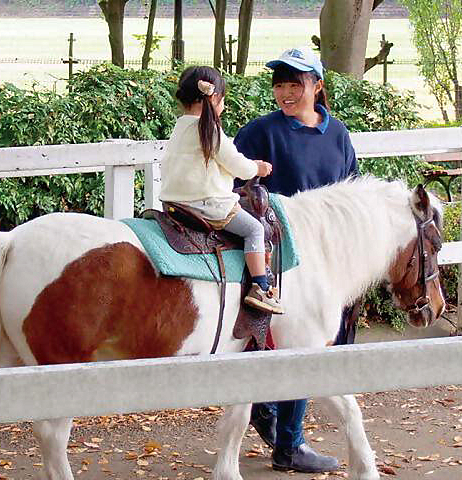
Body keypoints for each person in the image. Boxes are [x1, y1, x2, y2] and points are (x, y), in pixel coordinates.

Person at [233, 47, 359, 473]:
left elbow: (350, 195)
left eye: (295, 84)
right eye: (280, 84)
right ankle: (285, 436)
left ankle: (282, 432)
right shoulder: (258, 133)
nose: (285, 92)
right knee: (290, 345)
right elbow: (233, 188)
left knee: (308, 346)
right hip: (276, 257)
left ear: (317, 86)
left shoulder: (338, 135)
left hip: (324, 261)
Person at [159, 66, 284, 315]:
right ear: (213, 98)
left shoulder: (180, 128)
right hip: (207, 204)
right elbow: (238, 165)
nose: (223, 105)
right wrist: (258, 168)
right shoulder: (209, 131)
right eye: (223, 99)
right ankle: (260, 286)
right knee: (254, 229)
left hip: (175, 203)